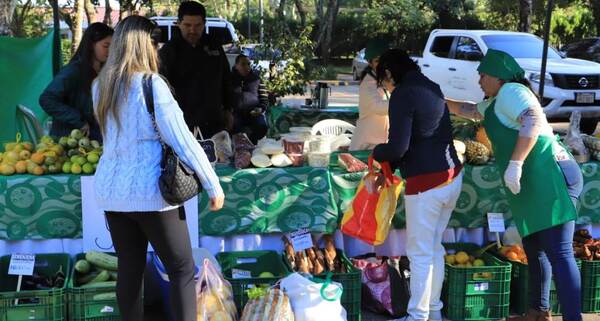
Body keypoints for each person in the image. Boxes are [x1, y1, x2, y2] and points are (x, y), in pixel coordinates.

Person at [92, 16, 224, 321]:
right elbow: (183, 141)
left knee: (130, 266)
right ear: (144, 45)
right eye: (154, 42)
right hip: (152, 193)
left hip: (113, 192)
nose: (158, 47)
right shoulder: (152, 85)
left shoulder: (100, 85)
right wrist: (213, 186)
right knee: (180, 268)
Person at [446, 49, 583, 321]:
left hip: (552, 175)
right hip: (534, 181)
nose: (479, 81)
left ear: (499, 76)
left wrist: (516, 163)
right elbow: (470, 110)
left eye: (482, 75)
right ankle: (538, 311)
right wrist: (437, 99)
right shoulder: (495, 102)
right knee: (535, 249)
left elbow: (532, 119)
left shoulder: (512, 91)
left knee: (560, 251)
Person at [371, 49, 463, 321]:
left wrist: (377, 153)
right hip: (452, 175)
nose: (385, 86)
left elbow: (398, 146)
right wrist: (388, 166)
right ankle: (433, 311)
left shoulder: (403, 93)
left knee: (420, 252)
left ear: (389, 72)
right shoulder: (429, 86)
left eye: (383, 80)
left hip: (427, 183)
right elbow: (418, 137)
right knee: (434, 248)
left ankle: (417, 315)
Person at [159, 1, 233, 138]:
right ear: (179, 23)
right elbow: (161, 91)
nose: (192, 30)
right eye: (187, 25)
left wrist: (228, 109)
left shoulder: (214, 46)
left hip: (214, 121)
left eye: (198, 25)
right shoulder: (168, 52)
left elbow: (226, 78)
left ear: (204, 24)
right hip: (182, 125)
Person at [40, 22, 113, 141]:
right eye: (106, 46)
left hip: (96, 138)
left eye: (113, 47)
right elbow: (47, 99)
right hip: (70, 140)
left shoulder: (106, 71)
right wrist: (79, 121)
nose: (110, 51)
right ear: (91, 45)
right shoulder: (74, 71)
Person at [350, 39, 390, 151]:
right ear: (370, 62)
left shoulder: (385, 78)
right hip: (365, 145)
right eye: (377, 61)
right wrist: (405, 99)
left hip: (380, 143)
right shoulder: (368, 83)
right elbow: (379, 107)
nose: (382, 64)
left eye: (385, 60)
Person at [231, 54, 268, 143]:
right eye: (243, 64)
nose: (246, 67)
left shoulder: (257, 79)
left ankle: (254, 147)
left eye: (248, 64)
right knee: (235, 127)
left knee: (262, 126)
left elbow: (264, 99)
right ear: (236, 66)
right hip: (235, 114)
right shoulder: (228, 80)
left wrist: (260, 109)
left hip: (254, 113)